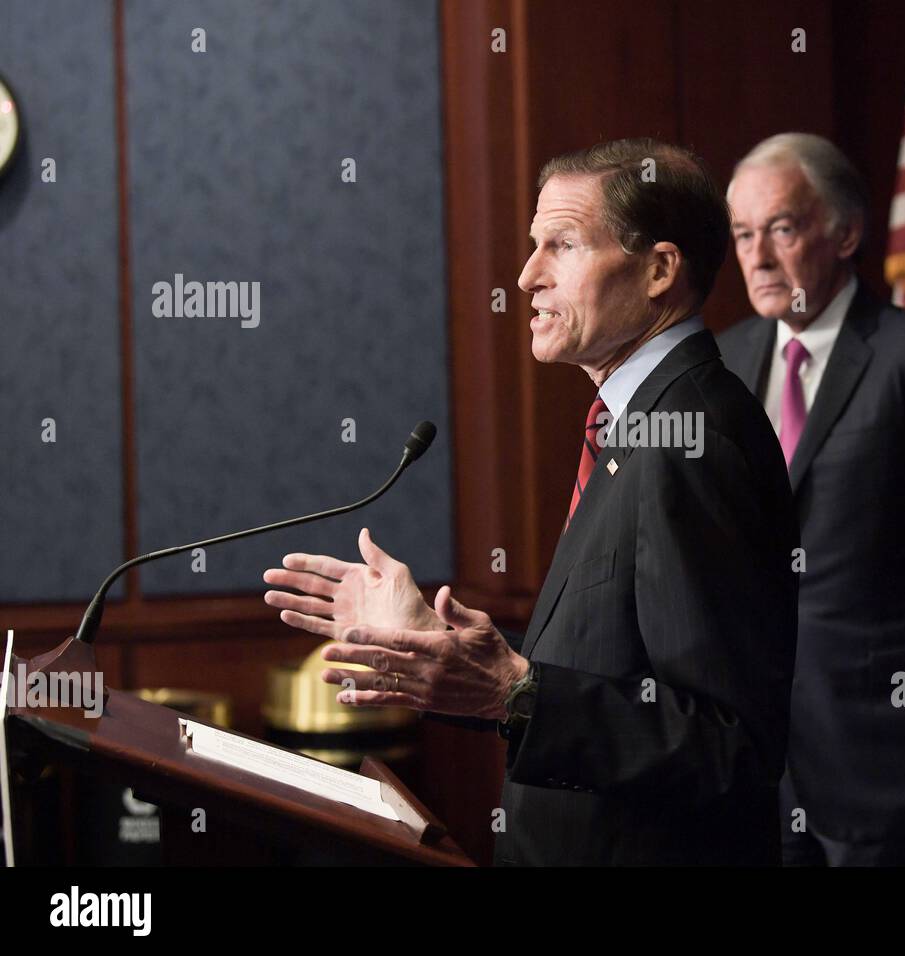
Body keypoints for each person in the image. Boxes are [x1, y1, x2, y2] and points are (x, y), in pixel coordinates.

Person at [263, 138, 799, 866]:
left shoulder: (693, 438)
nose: (525, 277)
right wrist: (450, 655)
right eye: (531, 246)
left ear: (660, 271)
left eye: (563, 246)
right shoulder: (639, 425)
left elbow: (728, 744)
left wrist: (514, 692)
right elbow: (610, 677)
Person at [716, 132, 905, 866]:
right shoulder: (724, 360)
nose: (757, 256)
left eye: (783, 229)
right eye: (742, 234)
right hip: (761, 768)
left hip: (899, 768)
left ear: (846, 232)